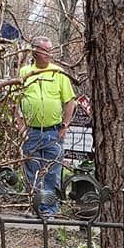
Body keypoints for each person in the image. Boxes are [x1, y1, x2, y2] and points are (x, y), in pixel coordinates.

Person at [15, 36, 77, 217]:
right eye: (45, 50)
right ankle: (35, 207)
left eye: (50, 50)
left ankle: (49, 209)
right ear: (35, 51)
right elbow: (14, 101)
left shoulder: (58, 73)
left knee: (52, 172)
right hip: (31, 132)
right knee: (32, 171)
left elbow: (70, 101)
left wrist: (64, 126)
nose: (48, 54)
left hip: (53, 132)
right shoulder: (25, 72)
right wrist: (20, 126)